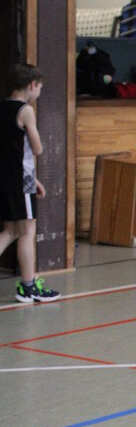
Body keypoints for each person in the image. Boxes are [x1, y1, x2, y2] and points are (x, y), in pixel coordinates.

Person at [0, 63, 60, 303]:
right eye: (40, 88)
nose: (39, 92)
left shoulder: (2, 107)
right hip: (19, 180)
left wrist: (34, 180)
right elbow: (37, 148)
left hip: (7, 178)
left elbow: (11, 151)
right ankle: (28, 286)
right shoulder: (25, 110)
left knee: (10, 230)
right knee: (27, 230)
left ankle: (28, 285)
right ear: (32, 85)